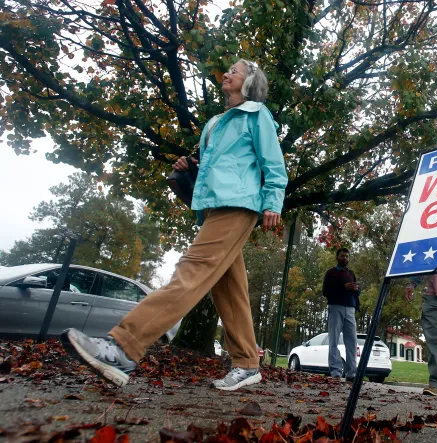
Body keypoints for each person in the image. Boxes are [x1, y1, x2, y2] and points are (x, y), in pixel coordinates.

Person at [61, 59, 288, 391]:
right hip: (212, 207)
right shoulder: (214, 123)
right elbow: (214, 166)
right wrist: (190, 164)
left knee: (191, 271)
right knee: (228, 288)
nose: (226, 74)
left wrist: (273, 202)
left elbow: (273, 163)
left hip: (238, 205)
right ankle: (246, 363)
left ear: (250, 82)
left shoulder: (257, 115)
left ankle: (123, 347)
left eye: (235, 71)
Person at [322, 248, 360, 381]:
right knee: (334, 340)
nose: (345, 258)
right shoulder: (331, 273)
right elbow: (325, 291)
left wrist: (356, 289)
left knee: (352, 341)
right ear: (337, 257)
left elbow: (356, 293)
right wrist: (344, 287)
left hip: (350, 309)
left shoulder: (351, 273)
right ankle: (336, 372)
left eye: (347, 256)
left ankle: (351, 373)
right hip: (335, 307)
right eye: (342, 256)